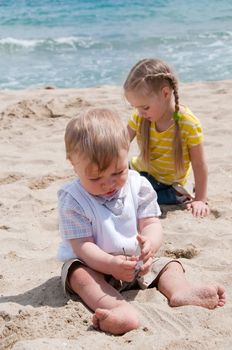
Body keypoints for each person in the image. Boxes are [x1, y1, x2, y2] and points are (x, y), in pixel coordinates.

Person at [57, 108, 225, 335]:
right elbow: (83, 246)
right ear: (72, 163)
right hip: (94, 265)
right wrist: (110, 264)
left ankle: (180, 292)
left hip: (136, 263)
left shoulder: (138, 185)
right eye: (96, 177)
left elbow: (151, 223)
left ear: (127, 152)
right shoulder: (74, 199)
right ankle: (116, 307)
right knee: (77, 275)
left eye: (118, 172)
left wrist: (149, 245)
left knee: (169, 264)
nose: (109, 184)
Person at [124, 58, 210, 217]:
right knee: (121, 188)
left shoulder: (188, 124)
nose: (140, 113)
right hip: (140, 173)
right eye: (135, 107)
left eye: (145, 107)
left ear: (165, 93)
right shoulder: (140, 117)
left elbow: (199, 164)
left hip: (168, 185)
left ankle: (180, 195)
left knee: (146, 198)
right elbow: (120, 144)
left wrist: (200, 199)